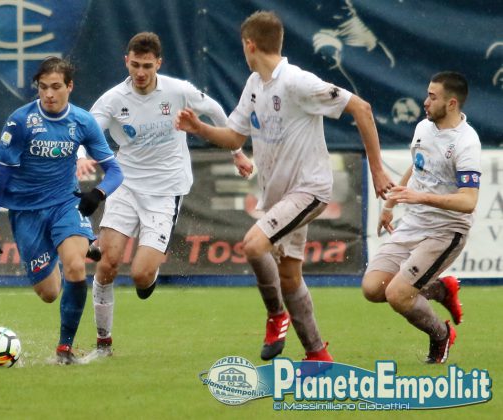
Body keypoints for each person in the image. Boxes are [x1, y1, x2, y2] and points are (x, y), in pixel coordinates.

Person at [175, 11, 394, 363]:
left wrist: (378, 171)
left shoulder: (296, 82)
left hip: (309, 189)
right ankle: (317, 354)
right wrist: (199, 128)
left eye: (242, 45)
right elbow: (234, 136)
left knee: (253, 245)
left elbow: (362, 108)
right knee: (289, 275)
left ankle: (277, 315)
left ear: (250, 45)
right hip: (280, 198)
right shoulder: (254, 85)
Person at [77, 32, 229, 355]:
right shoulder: (113, 99)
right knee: (107, 263)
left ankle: (151, 271)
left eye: (147, 66)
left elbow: (215, 110)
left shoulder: (178, 91)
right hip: (125, 186)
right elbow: (85, 130)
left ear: (159, 63)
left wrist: (237, 150)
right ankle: (103, 342)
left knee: (141, 276)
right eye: (135, 65)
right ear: (126, 62)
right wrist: (80, 157)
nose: (141, 72)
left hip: (165, 191)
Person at [0, 57, 124, 364]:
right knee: (49, 293)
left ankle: (64, 350)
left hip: (65, 203)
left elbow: (115, 171)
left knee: (75, 268)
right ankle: (76, 246)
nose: (49, 94)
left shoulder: (82, 122)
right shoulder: (20, 122)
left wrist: (98, 194)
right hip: (26, 211)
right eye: (43, 87)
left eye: (56, 87)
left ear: (70, 86)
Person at [362, 71, 480, 364]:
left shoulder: (466, 143)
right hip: (414, 222)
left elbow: (469, 201)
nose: (425, 102)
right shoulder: (424, 128)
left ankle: (441, 335)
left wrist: (421, 198)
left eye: (432, 97)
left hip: (446, 230)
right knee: (373, 289)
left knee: (398, 295)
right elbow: (418, 166)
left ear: (451, 103)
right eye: (427, 94)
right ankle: (440, 289)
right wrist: (390, 204)